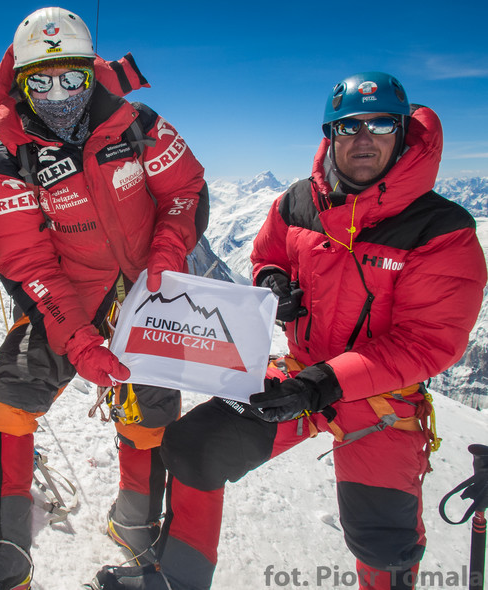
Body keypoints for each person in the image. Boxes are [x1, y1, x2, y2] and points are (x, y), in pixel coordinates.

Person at [90, 72, 487, 590]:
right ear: (331, 135)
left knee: (382, 538)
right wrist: (273, 280)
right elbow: (268, 252)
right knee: (195, 445)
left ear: (403, 131)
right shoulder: (301, 201)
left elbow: (427, 343)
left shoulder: (440, 230)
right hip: (299, 374)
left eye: (380, 124)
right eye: (348, 127)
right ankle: (176, 579)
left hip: (382, 397)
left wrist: (324, 382)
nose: (363, 139)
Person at [0, 6, 208, 589]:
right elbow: (27, 263)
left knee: (153, 412)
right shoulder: (9, 157)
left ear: (89, 72)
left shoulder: (138, 123)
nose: (57, 95)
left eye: (70, 77)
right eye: (38, 81)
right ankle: (4, 550)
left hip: (151, 288)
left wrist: (167, 255)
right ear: (21, 82)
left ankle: (136, 523)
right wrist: (78, 337)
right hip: (67, 294)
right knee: (4, 400)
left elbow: (185, 190)